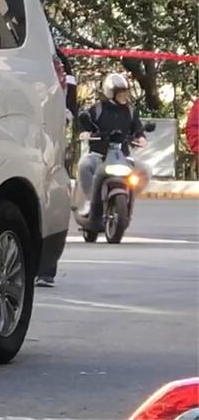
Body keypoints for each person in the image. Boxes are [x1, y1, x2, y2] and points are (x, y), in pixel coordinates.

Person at [75, 73, 150, 233]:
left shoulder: (130, 111)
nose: (125, 96)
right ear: (111, 93)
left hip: (122, 157)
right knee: (84, 164)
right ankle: (89, 200)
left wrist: (141, 137)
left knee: (145, 170)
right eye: (121, 93)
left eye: (126, 92)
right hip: (99, 156)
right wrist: (85, 132)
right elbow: (85, 124)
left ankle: (129, 197)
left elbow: (137, 130)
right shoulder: (98, 109)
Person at [36, 47, 76, 288]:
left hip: (49, 133)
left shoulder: (57, 58)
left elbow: (70, 98)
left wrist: (67, 116)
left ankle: (46, 268)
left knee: (49, 195)